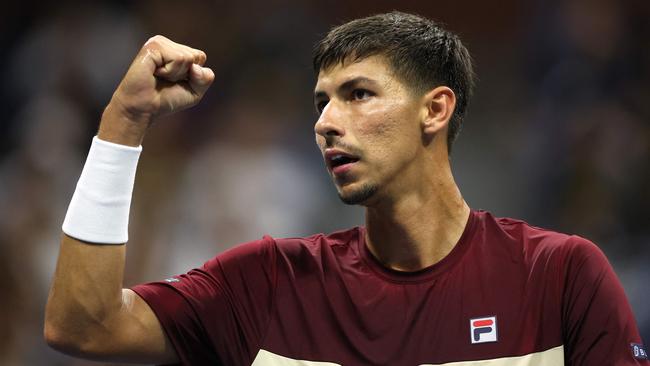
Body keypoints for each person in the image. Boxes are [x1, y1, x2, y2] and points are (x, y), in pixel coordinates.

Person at [44, 11, 648, 366]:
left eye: (358, 94)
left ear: (435, 110)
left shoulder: (561, 276)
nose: (325, 122)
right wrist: (124, 119)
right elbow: (82, 324)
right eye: (321, 102)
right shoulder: (267, 283)